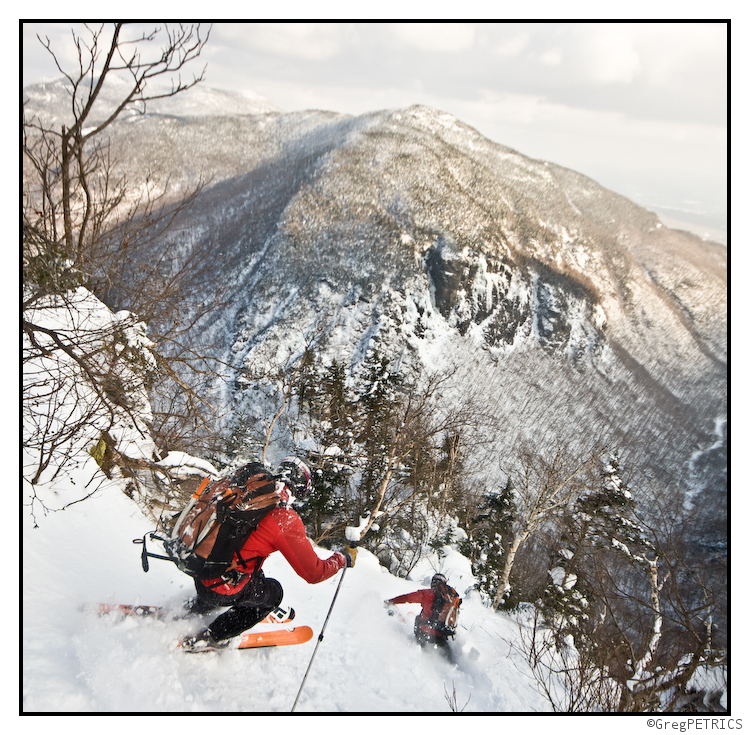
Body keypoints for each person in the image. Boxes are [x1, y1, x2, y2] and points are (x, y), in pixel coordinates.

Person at [180, 457, 356, 652]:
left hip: (200, 568)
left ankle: (195, 608)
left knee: (253, 573)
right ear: (299, 490)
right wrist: (342, 559)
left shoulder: (245, 492)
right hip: (223, 588)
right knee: (274, 593)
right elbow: (314, 573)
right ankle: (213, 636)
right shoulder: (285, 518)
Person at [384, 573, 461, 651]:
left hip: (425, 633)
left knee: (418, 618)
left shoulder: (428, 594)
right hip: (442, 637)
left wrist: (391, 601)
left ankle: (418, 647)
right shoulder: (452, 598)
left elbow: (408, 597)